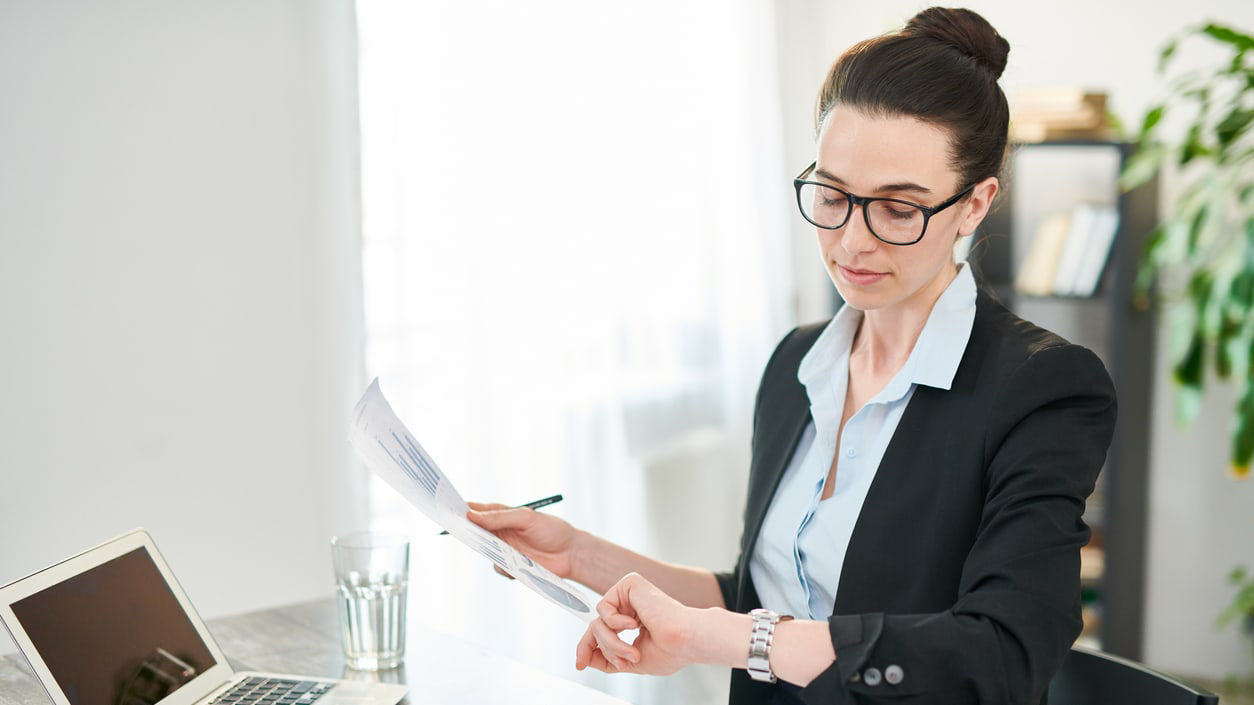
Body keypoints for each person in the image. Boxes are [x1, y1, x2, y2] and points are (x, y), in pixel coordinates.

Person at [468, 7, 1116, 704]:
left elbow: (999, 653)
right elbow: (762, 595)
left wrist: (716, 638)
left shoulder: (1041, 387)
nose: (852, 241)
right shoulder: (797, 366)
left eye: (899, 208)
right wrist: (576, 555)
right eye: (832, 194)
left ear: (974, 204)